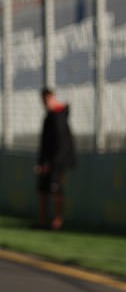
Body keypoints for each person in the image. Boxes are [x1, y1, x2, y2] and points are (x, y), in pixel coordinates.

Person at [35, 88, 76, 230]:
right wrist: (41, 162)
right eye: (43, 100)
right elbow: (45, 143)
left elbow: (62, 144)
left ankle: (57, 221)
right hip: (48, 161)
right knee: (42, 190)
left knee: (56, 190)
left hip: (58, 162)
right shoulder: (49, 116)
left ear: (53, 97)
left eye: (47, 99)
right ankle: (42, 221)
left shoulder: (59, 115)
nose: (45, 103)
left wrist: (53, 163)